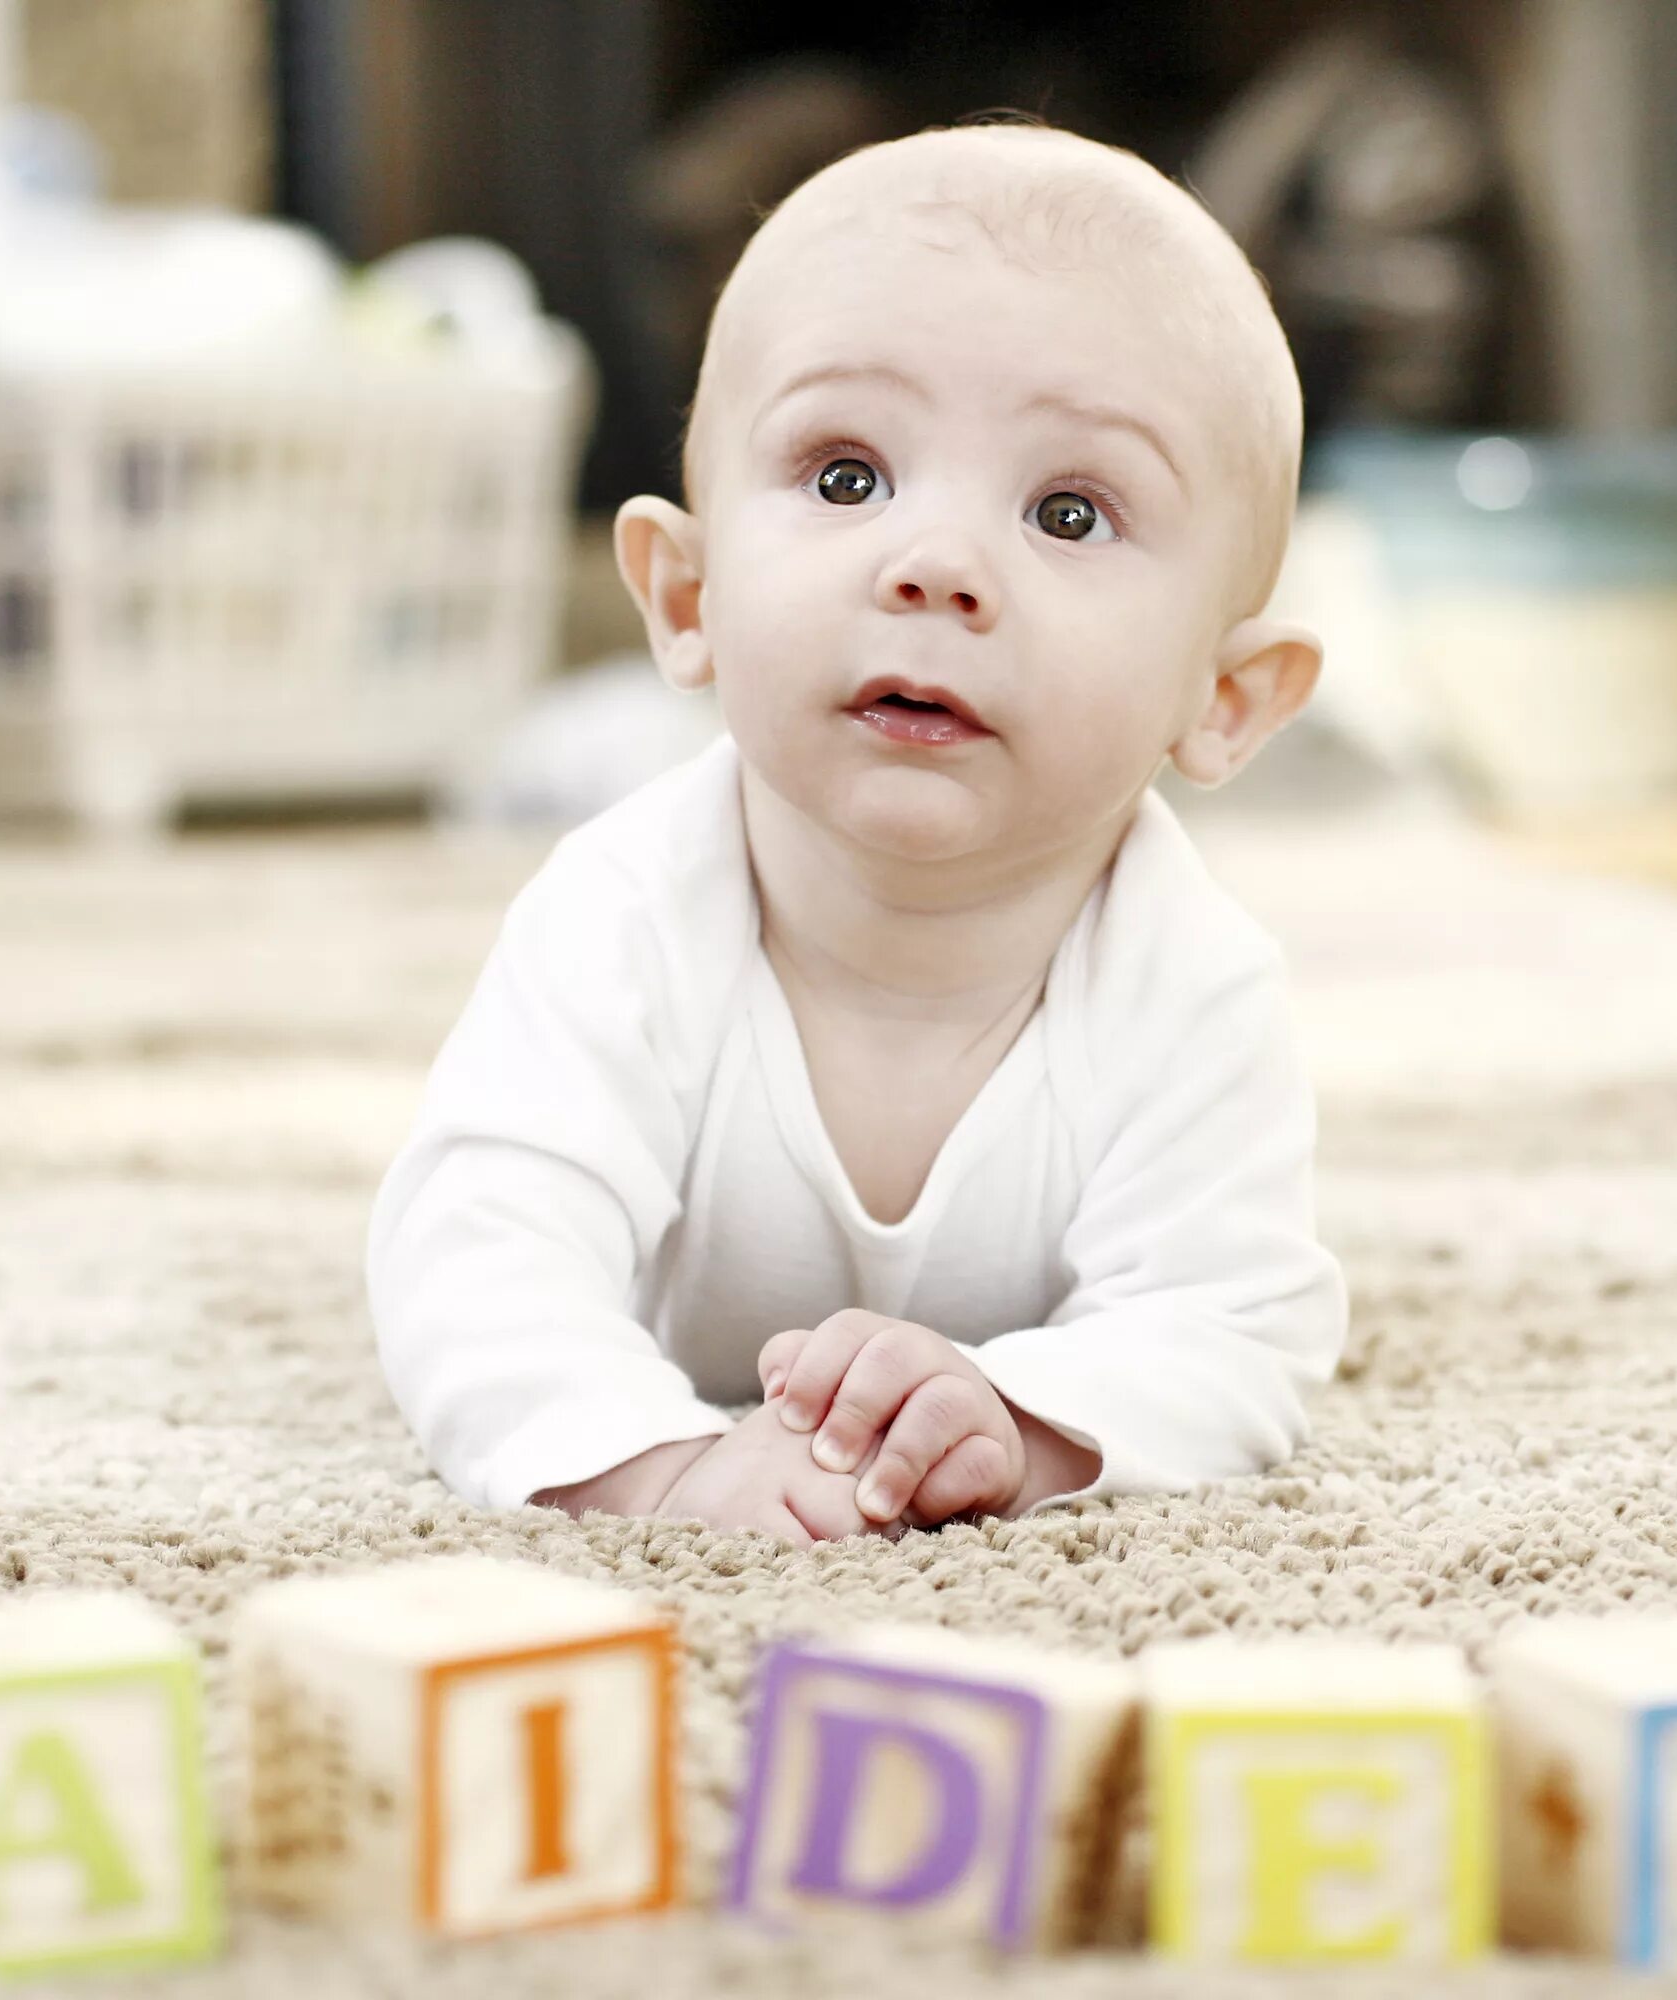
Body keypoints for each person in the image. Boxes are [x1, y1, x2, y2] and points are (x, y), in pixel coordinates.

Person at [368, 120, 1347, 1545]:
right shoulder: (622, 917)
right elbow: (474, 1255)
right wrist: (659, 1468)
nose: (936, 567)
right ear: (687, 597)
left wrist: (1016, 1422)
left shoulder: (1192, 985)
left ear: (1228, 698)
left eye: (1069, 512)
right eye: (846, 478)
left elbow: (1233, 1329)